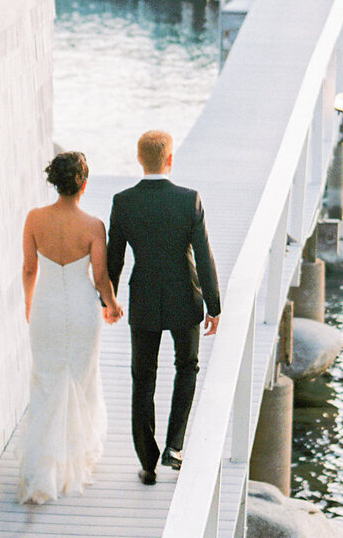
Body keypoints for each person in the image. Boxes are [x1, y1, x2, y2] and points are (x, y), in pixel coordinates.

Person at [107, 129, 221, 486]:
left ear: (140, 159)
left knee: (143, 378)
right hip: (184, 298)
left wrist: (108, 300)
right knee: (187, 367)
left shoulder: (123, 202)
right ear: (170, 160)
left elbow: (115, 259)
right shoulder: (189, 201)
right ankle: (175, 445)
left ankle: (148, 460)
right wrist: (214, 306)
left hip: (142, 299)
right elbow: (203, 256)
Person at [17, 150, 122, 505]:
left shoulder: (34, 218)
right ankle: (73, 465)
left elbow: (29, 270)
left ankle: (44, 468)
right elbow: (100, 276)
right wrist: (111, 304)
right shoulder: (93, 226)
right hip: (81, 310)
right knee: (80, 380)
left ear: (54, 182)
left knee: (46, 380)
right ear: (84, 184)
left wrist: (29, 303)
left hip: (46, 306)